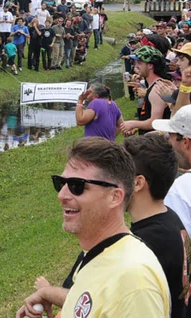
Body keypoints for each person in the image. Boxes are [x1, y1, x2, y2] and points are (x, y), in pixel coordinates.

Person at [16, 137, 170, 318]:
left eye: (77, 186)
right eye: (61, 183)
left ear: (115, 197)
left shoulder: (133, 281)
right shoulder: (99, 254)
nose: (62, 195)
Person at [123, 134, 188, 318]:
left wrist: (51, 292)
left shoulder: (145, 244)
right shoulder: (170, 217)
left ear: (138, 183)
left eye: (119, 172)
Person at [120, 46, 171, 136]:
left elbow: (155, 122)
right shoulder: (152, 85)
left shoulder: (157, 89)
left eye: (139, 63)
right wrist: (138, 127)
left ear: (150, 66)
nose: (136, 66)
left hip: (157, 145)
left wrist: (133, 123)